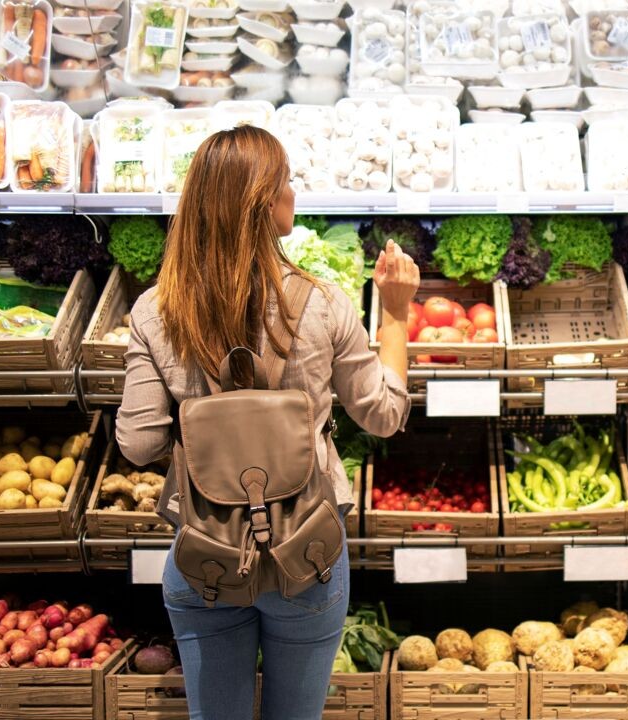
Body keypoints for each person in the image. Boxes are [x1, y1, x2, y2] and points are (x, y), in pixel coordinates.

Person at [115, 125, 418, 720]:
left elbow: (139, 441)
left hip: (204, 557)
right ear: (264, 204)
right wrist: (398, 317)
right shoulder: (324, 303)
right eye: (285, 183)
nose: (293, 193)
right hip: (307, 558)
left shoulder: (155, 310)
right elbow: (382, 415)